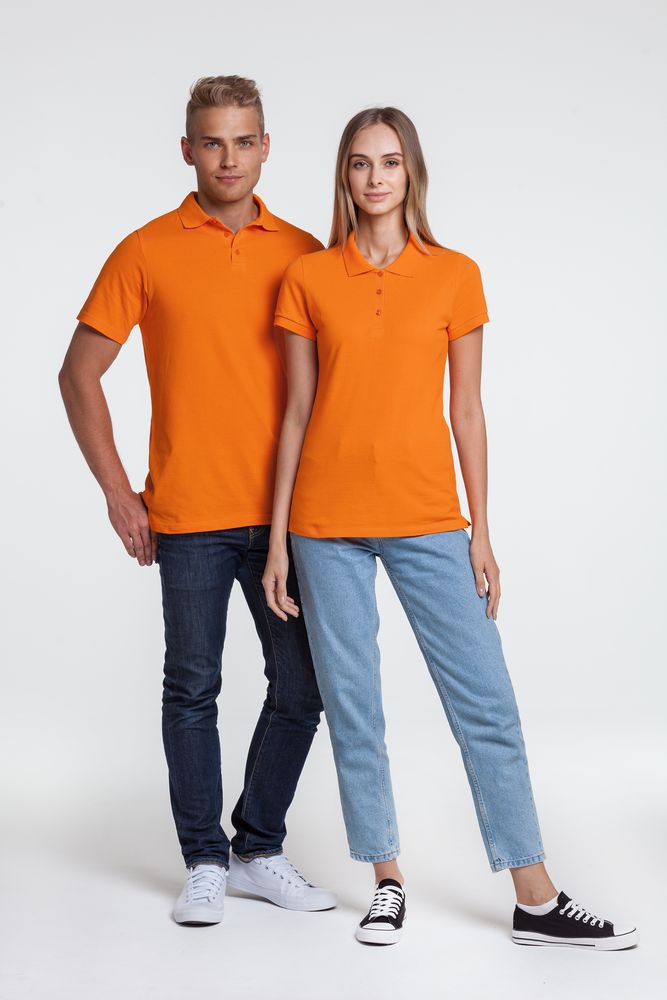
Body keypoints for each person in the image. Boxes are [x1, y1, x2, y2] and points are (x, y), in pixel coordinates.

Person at [263, 106, 638, 949]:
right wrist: (279, 539)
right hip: (323, 523)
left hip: (428, 516)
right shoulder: (308, 278)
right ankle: (385, 881)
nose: (374, 177)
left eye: (389, 162)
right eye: (359, 162)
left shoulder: (454, 275)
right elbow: (294, 414)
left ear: (412, 173)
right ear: (343, 175)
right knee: (354, 708)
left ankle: (534, 898)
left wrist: (481, 531)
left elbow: (466, 410)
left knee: (486, 704)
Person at [58, 75, 336, 925]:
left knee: (304, 687)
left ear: (265, 146)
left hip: (289, 517)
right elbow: (78, 373)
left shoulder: (304, 253)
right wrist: (118, 494)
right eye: (211, 141)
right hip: (186, 516)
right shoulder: (144, 250)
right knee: (192, 688)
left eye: (243, 140)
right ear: (187, 149)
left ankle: (257, 846)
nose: (228, 158)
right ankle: (204, 860)